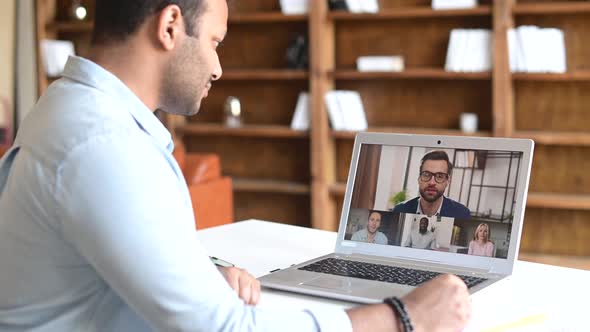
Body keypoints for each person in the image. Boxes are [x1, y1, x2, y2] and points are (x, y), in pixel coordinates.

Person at [0, 0, 472, 330]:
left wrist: (194, 270)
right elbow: (224, 329)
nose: (218, 67)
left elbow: (101, 242)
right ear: (169, 27)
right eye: (214, 41)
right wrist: (404, 319)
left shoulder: (70, 107)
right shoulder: (103, 146)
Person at [393, 150, 471, 219]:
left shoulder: (462, 214)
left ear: (448, 181)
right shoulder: (400, 210)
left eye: (440, 176)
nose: (432, 182)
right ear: (419, 178)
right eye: (426, 174)